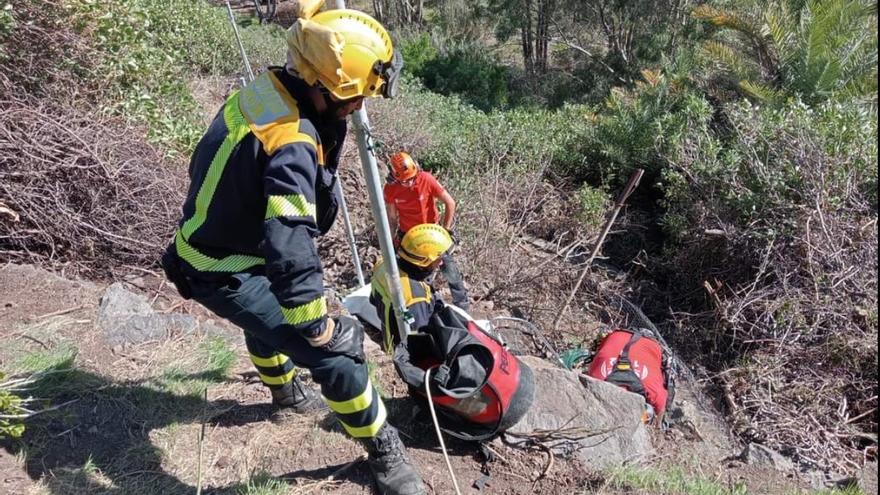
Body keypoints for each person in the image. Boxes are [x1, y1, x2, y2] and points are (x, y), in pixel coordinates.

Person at [159, 2, 425, 494]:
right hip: (223, 267)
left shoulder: (267, 92)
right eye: (360, 96)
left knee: (266, 315)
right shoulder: (295, 142)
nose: (361, 106)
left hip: (213, 242)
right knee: (340, 357)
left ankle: (284, 393)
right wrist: (321, 329)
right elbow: (289, 244)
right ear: (331, 89)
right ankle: (384, 450)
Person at [383, 151, 470, 311]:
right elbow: (392, 218)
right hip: (410, 238)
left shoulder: (426, 179)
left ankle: (463, 306)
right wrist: (391, 239)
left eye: (411, 179)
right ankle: (425, 305)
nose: (409, 184)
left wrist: (446, 230)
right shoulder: (391, 189)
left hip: (432, 235)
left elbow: (450, 202)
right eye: (404, 181)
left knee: (450, 269)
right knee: (417, 276)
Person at [369, 223, 452, 352]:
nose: (441, 262)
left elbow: (373, 299)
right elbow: (420, 340)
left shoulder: (384, 264)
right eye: (438, 258)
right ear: (423, 261)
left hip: (389, 333)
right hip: (403, 355)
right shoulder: (416, 298)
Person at [586, 328, 675, 424]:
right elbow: (661, 407)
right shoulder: (655, 348)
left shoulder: (615, 334)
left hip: (603, 373)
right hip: (601, 380)